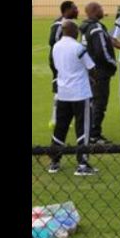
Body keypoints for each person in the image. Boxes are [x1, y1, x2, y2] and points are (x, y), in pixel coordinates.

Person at [80, 2, 120, 144]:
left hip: (90, 70)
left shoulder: (87, 26)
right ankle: (94, 135)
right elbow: (102, 51)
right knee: (100, 103)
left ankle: (89, 131)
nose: (103, 10)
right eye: (101, 8)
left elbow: (109, 40)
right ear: (94, 11)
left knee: (93, 102)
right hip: (100, 72)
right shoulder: (97, 28)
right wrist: (112, 63)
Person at [48, 21, 98, 176]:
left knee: (60, 127)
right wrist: (93, 79)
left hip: (63, 92)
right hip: (80, 93)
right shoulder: (78, 47)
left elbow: (55, 66)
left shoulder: (56, 46)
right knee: (83, 127)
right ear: (73, 31)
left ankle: (54, 162)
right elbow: (91, 67)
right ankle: (82, 164)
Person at [48, 1, 79, 126]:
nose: (77, 10)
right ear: (67, 10)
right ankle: (55, 118)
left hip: (69, 61)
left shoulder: (73, 23)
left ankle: (65, 118)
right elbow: (52, 41)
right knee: (60, 88)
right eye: (74, 8)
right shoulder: (59, 24)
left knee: (69, 87)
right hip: (59, 61)